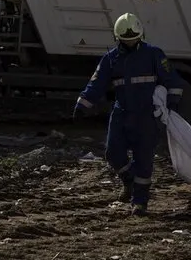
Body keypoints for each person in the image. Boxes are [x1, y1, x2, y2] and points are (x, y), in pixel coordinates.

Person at [75, 13, 184, 216]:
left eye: (133, 38)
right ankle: (129, 181)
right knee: (113, 152)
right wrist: (83, 104)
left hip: (147, 115)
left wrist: (173, 103)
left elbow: (172, 81)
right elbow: (96, 83)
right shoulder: (111, 59)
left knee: (144, 158)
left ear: (140, 35)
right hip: (122, 112)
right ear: (118, 38)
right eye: (126, 39)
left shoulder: (154, 54)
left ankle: (140, 202)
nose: (130, 42)